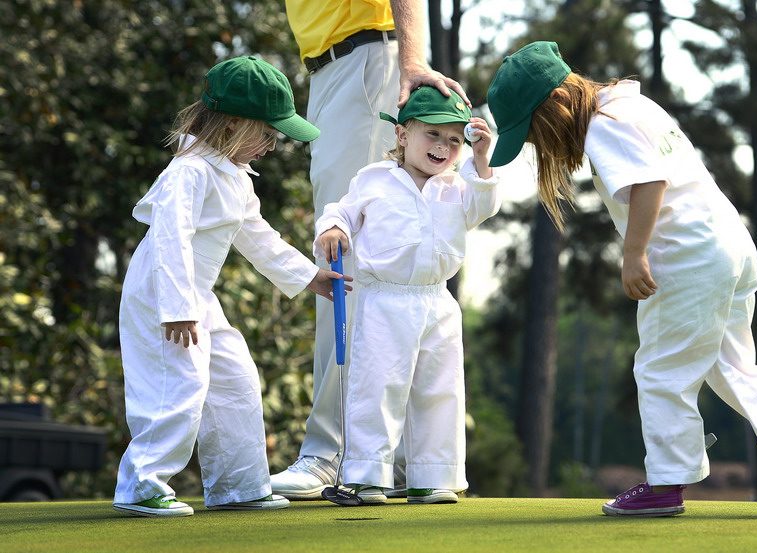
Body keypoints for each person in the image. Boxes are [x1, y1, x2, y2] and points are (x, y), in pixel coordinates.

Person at [485, 41, 757, 517]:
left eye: (534, 131)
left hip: (686, 256)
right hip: (728, 244)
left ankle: (666, 483)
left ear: (554, 104)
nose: (539, 144)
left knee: (660, 370)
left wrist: (634, 253)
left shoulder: (602, 125)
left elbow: (648, 181)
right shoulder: (633, 103)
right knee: (732, 367)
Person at [113, 56, 350, 518]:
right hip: (163, 295)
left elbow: (257, 236)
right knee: (178, 385)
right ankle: (141, 483)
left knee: (236, 379)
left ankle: (239, 485)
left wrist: (308, 277)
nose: (273, 145)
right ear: (233, 124)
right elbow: (170, 238)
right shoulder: (189, 171)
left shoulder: (235, 176)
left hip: (199, 298)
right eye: (268, 133)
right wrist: (177, 307)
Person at [272, 0, 470, 500]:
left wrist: (410, 60)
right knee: (348, 258)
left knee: (346, 264)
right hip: (333, 69)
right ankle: (384, 458)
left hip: (365, 63)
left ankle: (333, 453)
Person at [314, 86, 499, 505]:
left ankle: (431, 476)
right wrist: (334, 230)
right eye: (432, 134)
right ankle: (365, 476)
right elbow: (340, 211)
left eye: (455, 140)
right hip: (384, 300)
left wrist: (482, 159)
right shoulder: (373, 179)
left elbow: (484, 206)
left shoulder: (458, 186)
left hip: (438, 301)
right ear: (402, 135)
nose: (443, 146)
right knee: (377, 386)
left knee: (440, 389)